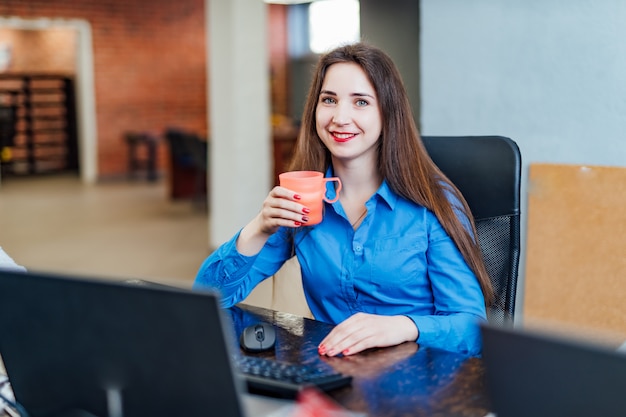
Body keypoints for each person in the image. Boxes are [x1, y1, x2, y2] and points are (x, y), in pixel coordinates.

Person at [194, 42, 493, 357]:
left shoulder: (432, 204)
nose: (340, 117)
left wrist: (403, 326)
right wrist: (259, 228)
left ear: (387, 112)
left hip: (418, 375)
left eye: (361, 102)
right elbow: (209, 296)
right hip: (333, 374)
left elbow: (472, 331)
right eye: (329, 100)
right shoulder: (304, 200)